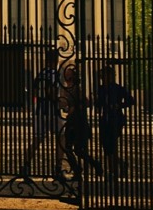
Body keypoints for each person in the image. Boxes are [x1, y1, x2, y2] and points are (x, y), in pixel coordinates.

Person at [18, 48, 64, 179]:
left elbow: (34, 92)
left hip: (39, 110)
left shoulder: (40, 74)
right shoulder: (55, 74)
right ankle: (58, 168)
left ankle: (25, 166)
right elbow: (52, 91)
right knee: (62, 137)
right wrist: (59, 100)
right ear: (55, 60)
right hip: (51, 110)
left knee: (37, 140)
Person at [58, 65, 102, 179]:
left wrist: (75, 107)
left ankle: (94, 165)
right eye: (66, 73)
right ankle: (78, 170)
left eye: (69, 73)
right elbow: (63, 103)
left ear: (73, 75)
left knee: (78, 150)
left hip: (79, 121)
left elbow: (87, 102)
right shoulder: (65, 88)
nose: (66, 75)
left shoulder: (77, 88)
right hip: (70, 121)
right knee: (68, 148)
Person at [95, 64, 135, 177]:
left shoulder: (118, 88)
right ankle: (120, 165)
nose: (103, 77)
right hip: (105, 119)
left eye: (104, 75)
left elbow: (131, 100)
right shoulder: (101, 88)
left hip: (116, 119)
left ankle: (113, 171)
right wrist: (98, 106)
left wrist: (119, 105)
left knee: (111, 144)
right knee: (106, 146)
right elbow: (99, 102)